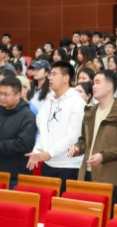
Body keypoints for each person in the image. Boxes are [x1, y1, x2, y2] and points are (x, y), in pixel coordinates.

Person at [72, 70, 117, 202]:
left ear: (109, 86)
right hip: (86, 174)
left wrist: (103, 156)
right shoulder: (90, 112)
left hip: (108, 177)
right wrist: (78, 147)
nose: (93, 86)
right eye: (93, 83)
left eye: (97, 82)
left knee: (106, 213)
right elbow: (84, 140)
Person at [26, 60, 85, 190]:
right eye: (50, 74)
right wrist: (36, 152)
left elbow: (73, 136)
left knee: (62, 202)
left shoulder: (77, 102)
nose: (50, 78)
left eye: (54, 74)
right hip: (48, 164)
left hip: (68, 165)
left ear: (66, 78)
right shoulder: (49, 101)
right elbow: (43, 132)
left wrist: (50, 153)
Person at [0, 77, 37, 185]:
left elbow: (25, 143)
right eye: (0, 94)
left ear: (18, 95)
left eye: (6, 94)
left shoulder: (27, 116)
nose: (2, 97)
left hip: (14, 175)